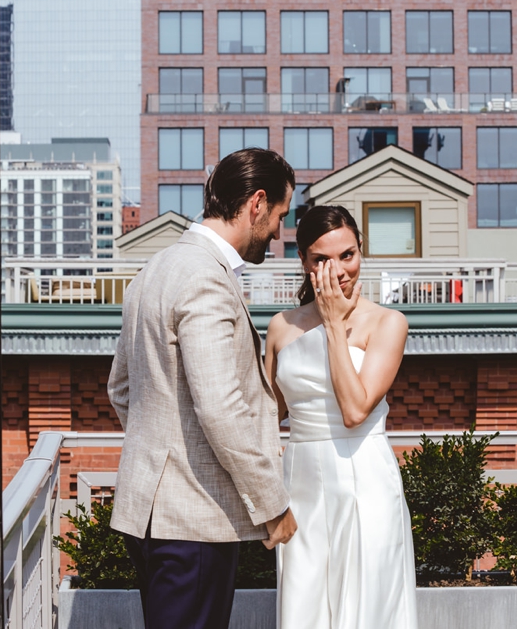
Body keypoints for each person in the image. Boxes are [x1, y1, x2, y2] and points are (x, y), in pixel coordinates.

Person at [108, 148, 299, 629]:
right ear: (256, 203)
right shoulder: (205, 280)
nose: (279, 232)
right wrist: (272, 505)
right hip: (192, 518)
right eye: (280, 215)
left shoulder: (154, 268)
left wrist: (163, 453)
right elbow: (220, 408)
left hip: (151, 514)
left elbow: (121, 389)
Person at [265, 204, 417, 629]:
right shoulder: (281, 326)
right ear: (303, 262)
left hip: (363, 476)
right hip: (301, 483)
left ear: (361, 251)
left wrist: (333, 326)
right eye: (322, 259)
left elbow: (354, 410)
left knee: (367, 604)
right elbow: (265, 417)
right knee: (304, 603)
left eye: (347, 255)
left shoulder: (388, 323)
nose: (339, 270)